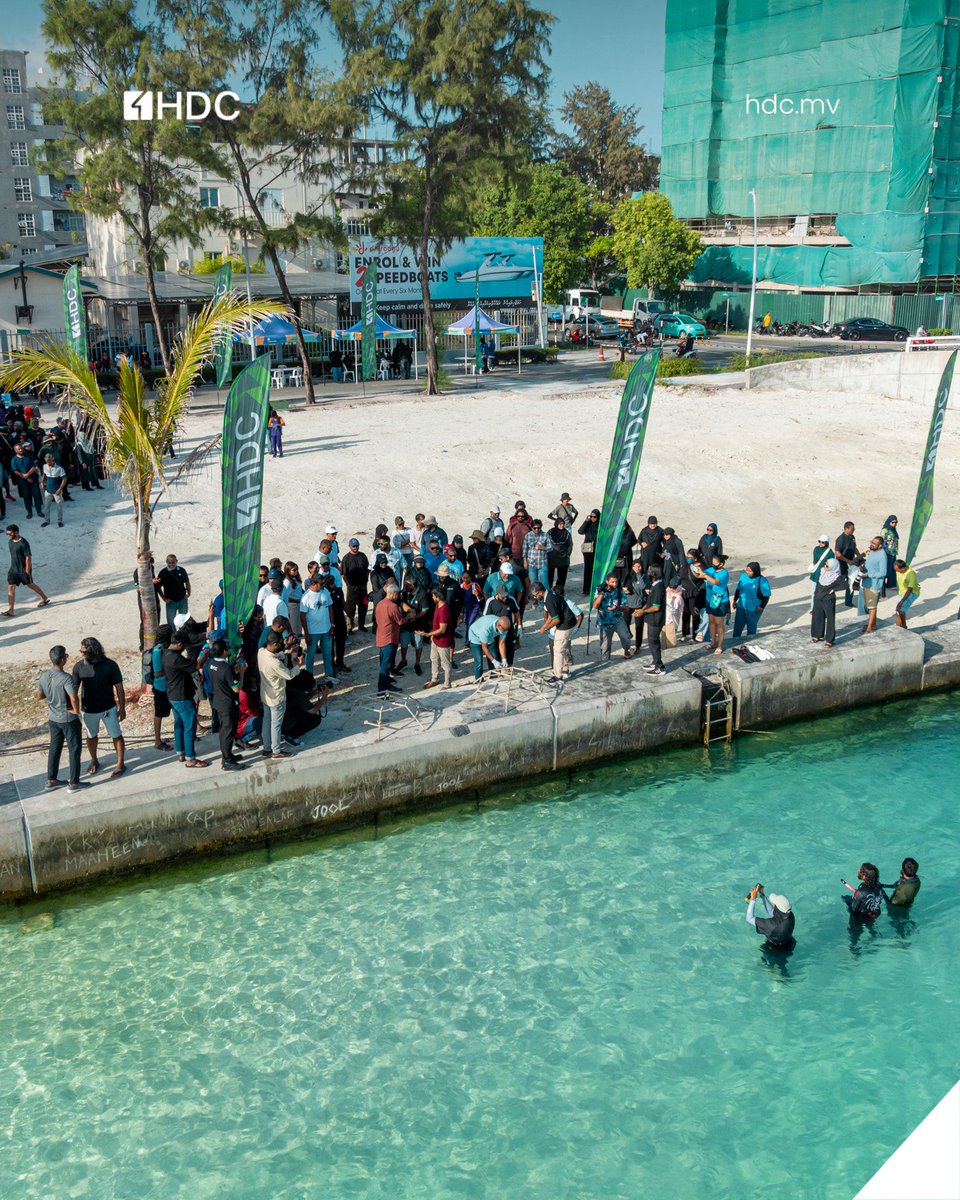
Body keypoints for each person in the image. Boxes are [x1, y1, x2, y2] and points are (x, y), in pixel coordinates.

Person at [72, 636, 126, 778]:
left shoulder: (111, 665)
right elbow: (74, 691)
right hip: (88, 710)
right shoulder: (78, 666)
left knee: (116, 735)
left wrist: (122, 707)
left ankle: (120, 763)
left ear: (92, 651)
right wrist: (75, 711)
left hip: (109, 708)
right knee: (91, 736)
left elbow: (119, 688)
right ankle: (94, 760)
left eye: (83, 650)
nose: (81, 653)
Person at [36, 645, 87, 792]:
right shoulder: (66, 678)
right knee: (74, 749)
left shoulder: (44, 675)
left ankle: (52, 780)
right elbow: (73, 696)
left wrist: (51, 694)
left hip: (53, 718)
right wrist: (76, 712)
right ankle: (74, 783)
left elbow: (39, 696)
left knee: (54, 748)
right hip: (67, 718)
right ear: (63, 660)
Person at [163, 630, 208, 768]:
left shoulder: (166, 654)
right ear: (179, 644)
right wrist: (205, 652)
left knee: (178, 725)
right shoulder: (176, 658)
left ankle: (181, 752)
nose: (184, 649)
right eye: (184, 646)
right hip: (182, 696)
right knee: (189, 727)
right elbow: (196, 666)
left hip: (172, 695)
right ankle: (191, 759)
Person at [257, 630, 301, 757]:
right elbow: (289, 675)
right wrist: (298, 665)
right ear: (275, 644)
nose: (283, 644)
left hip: (265, 695)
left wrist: (287, 652)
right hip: (277, 698)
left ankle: (266, 748)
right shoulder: (275, 664)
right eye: (281, 643)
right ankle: (276, 750)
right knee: (276, 725)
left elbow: (274, 656)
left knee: (267, 722)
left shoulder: (261, 652)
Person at [207, 640, 244, 770]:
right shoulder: (225, 668)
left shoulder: (212, 663)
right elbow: (236, 689)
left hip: (218, 701)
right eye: (227, 648)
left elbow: (221, 677)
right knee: (228, 732)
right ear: (224, 652)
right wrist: (242, 673)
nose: (229, 650)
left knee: (224, 731)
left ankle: (227, 756)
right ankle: (227, 761)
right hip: (227, 704)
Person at [532, 581, 578, 681]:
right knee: (564, 646)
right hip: (570, 621)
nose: (535, 598)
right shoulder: (549, 593)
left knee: (558, 650)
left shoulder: (549, 600)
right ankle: (565, 670)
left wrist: (546, 628)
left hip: (565, 625)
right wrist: (544, 626)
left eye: (535, 595)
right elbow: (551, 616)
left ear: (540, 592)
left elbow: (556, 619)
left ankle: (558, 675)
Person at [3, 524, 50, 616]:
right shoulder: (10, 542)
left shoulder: (23, 543)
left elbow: (28, 557)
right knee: (11, 588)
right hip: (13, 570)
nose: (8, 536)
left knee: (30, 585)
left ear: (16, 532)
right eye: (7, 534)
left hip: (23, 570)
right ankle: (10, 610)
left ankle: (44, 598)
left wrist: (27, 571)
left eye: (9, 534)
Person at [593, 572, 634, 661]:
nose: (615, 584)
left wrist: (618, 608)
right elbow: (595, 606)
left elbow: (626, 608)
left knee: (625, 637)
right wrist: (601, 594)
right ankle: (605, 660)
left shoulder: (619, 590)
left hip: (617, 618)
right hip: (604, 621)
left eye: (616, 582)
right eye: (612, 582)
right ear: (607, 581)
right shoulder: (600, 589)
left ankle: (627, 650)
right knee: (605, 644)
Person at [299, 573, 334, 680]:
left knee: (327, 654)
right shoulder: (306, 597)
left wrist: (332, 625)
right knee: (310, 655)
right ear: (314, 583)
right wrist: (306, 633)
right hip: (313, 632)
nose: (323, 585)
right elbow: (302, 616)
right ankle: (309, 677)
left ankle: (329, 674)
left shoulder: (325, 592)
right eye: (321, 583)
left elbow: (330, 608)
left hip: (326, 629)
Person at [422, 584, 454, 689]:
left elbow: (442, 629)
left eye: (433, 596)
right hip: (436, 639)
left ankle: (447, 683)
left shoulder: (444, 610)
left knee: (445, 663)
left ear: (438, 597)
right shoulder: (438, 606)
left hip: (443, 641)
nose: (432, 597)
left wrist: (428, 634)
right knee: (434, 659)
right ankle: (434, 679)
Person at [745, 885, 795, 950]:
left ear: (777, 907)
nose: (773, 903)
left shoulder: (772, 926)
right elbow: (772, 912)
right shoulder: (790, 915)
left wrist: (753, 899)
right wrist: (762, 895)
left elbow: (749, 918)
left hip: (773, 950)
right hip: (789, 944)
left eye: (774, 903)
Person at [699, 552, 730, 655]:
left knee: (719, 624)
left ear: (721, 564)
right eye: (712, 563)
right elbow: (701, 575)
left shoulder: (724, 573)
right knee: (711, 622)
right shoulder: (712, 569)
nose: (713, 565)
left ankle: (720, 645)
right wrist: (697, 570)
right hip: (710, 600)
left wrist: (704, 575)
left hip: (719, 602)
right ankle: (713, 642)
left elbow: (715, 581)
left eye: (715, 563)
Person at [638, 563, 666, 675]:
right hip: (651, 619)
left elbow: (656, 607)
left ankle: (659, 667)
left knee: (654, 642)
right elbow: (649, 602)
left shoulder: (658, 587)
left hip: (656, 620)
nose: (647, 572)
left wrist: (643, 611)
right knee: (651, 641)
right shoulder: (655, 585)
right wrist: (642, 609)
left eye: (649, 570)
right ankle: (655, 662)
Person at [148, 622, 173, 750]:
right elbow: (157, 672)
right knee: (159, 714)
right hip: (161, 687)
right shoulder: (158, 651)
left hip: (168, 685)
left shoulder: (164, 647)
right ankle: (157, 741)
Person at [732, 562, 772, 639]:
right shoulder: (743, 576)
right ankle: (734, 641)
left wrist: (761, 607)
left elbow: (766, 595)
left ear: (756, 571)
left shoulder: (762, 580)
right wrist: (734, 600)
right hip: (741, 605)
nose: (747, 572)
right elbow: (738, 589)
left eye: (750, 571)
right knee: (738, 625)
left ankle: (749, 641)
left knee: (751, 626)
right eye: (747, 570)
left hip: (754, 607)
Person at [811, 554, 843, 646]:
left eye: (827, 565)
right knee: (817, 615)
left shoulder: (836, 576)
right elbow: (818, 582)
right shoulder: (822, 571)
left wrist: (834, 589)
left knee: (830, 619)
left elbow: (844, 585)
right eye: (825, 564)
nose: (825, 566)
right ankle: (817, 635)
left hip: (828, 599)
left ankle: (829, 640)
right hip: (818, 597)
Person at [468, 613, 511, 680]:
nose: (505, 631)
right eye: (504, 630)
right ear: (498, 625)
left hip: (489, 637)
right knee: (479, 661)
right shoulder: (486, 629)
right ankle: (479, 679)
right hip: (475, 636)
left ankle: (493, 678)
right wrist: (494, 661)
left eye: (506, 630)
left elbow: (502, 644)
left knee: (494, 656)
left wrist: (504, 659)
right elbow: (484, 647)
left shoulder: (504, 627)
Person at [341, 538, 370, 632]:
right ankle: (350, 627)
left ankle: (361, 625)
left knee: (363, 606)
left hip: (362, 586)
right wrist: (348, 585)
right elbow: (343, 574)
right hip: (352, 587)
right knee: (350, 608)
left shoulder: (363, 556)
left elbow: (367, 569)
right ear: (350, 546)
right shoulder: (346, 558)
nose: (355, 547)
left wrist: (366, 579)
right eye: (353, 546)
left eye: (357, 545)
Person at [156, 553, 191, 627]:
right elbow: (158, 587)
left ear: (176, 561)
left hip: (182, 599)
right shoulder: (163, 573)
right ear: (166, 562)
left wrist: (189, 593)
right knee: (171, 623)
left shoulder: (182, 570)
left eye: (173, 562)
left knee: (184, 621)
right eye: (169, 563)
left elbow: (187, 582)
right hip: (171, 601)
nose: (171, 564)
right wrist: (164, 599)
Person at [861, 537, 887, 634]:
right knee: (870, 606)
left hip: (874, 585)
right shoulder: (872, 551)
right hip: (866, 582)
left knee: (872, 607)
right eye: (872, 542)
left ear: (880, 545)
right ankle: (873, 624)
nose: (872, 544)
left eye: (874, 543)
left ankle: (870, 627)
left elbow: (883, 572)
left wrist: (869, 575)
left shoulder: (882, 556)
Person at [522, 519, 550, 598]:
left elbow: (551, 547)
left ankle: (547, 598)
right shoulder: (528, 535)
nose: (536, 529)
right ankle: (535, 599)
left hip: (542, 563)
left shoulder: (545, 535)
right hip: (532, 563)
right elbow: (525, 549)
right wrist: (525, 561)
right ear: (531, 528)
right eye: (534, 528)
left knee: (544, 582)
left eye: (538, 528)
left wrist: (542, 547)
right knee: (533, 582)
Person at [834, 521, 860, 608]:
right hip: (841, 564)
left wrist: (859, 557)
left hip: (851, 563)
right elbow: (837, 553)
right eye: (852, 529)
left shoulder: (852, 537)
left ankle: (848, 602)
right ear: (846, 529)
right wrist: (847, 561)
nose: (853, 531)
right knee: (838, 583)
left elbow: (854, 547)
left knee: (851, 582)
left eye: (854, 529)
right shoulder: (840, 539)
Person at [40, 452, 67, 527]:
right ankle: (46, 520)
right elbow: (44, 474)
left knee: (59, 506)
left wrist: (60, 489)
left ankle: (59, 521)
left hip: (56, 490)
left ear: (53, 460)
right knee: (46, 506)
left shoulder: (59, 468)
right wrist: (42, 482)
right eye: (47, 462)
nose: (48, 464)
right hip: (48, 490)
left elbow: (64, 479)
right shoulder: (44, 466)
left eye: (50, 462)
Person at [807, 535, 834, 611]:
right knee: (818, 593)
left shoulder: (816, 549)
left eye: (822, 542)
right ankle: (814, 609)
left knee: (815, 593)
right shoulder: (830, 552)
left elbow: (815, 560)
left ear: (826, 543)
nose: (820, 543)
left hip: (818, 574)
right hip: (821, 575)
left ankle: (814, 608)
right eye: (819, 541)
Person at [546, 517, 573, 589]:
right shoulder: (551, 532)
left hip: (563, 558)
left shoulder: (566, 533)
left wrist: (567, 555)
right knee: (549, 576)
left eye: (563, 524)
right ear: (556, 524)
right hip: (551, 558)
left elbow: (570, 545)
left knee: (562, 577)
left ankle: (559, 590)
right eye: (560, 524)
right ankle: (549, 590)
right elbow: (546, 542)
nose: (562, 526)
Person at [578, 509, 600, 595]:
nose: (592, 518)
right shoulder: (588, 524)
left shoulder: (600, 526)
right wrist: (586, 521)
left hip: (597, 549)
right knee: (588, 569)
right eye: (591, 516)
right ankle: (586, 589)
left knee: (596, 569)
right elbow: (580, 531)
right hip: (588, 549)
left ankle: (596, 587)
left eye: (594, 517)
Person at [894, 559, 920, 628]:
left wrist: (902, 601)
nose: (896, 572)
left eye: (898, 570)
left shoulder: (911, 574)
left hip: (912, 593)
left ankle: (904, 626)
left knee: (900, 609)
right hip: (902, 592)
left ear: (903, 568)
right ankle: (899, 626)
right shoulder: (898, 570)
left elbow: (910, 589)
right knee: (899, 610)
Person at [880, 515, 899, 594]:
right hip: (886, 552)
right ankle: (882, 585)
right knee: (886, 568)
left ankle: (891, 584)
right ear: (889, 522)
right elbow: (881, 541)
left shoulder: (894, 530)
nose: (894, 524)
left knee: (893, 568)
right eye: (892, 522)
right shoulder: (885, 530)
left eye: (896, 522)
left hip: (893, 552)